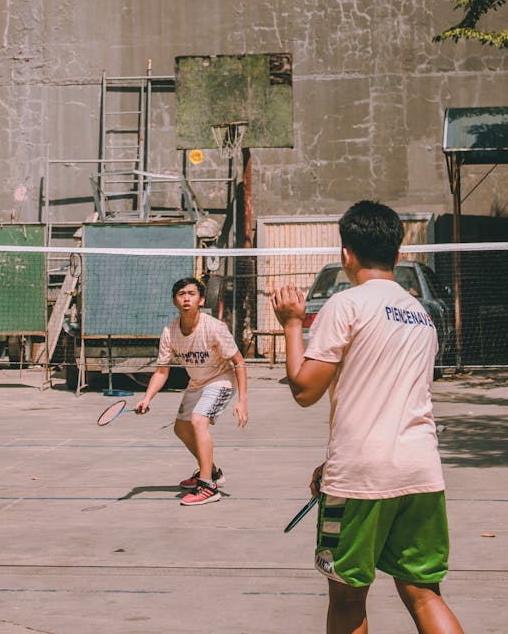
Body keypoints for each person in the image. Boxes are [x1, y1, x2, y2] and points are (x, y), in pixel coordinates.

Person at [272, 201, 463, 634]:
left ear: (346, 253)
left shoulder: (346, 305)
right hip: (421, 471)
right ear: (397, 254)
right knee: (423, 593)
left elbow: (304, 390)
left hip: (362, 476)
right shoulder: (422, 316)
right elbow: (393, 399)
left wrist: (291, 324)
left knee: (346, 598)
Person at [134, 276, 248, 506]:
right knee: (181, 428)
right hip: (197, 382)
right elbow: (161, 371)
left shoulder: (215, 328)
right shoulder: (170, 331)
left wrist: (242, 400)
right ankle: (212, 470)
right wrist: (147, 398)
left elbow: (239, 361)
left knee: (198, 421)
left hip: (221, 378)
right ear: (175, 301)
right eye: (181, 294)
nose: (186, 298)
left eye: (191, 294)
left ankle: (207, 485)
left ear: (201, 300)